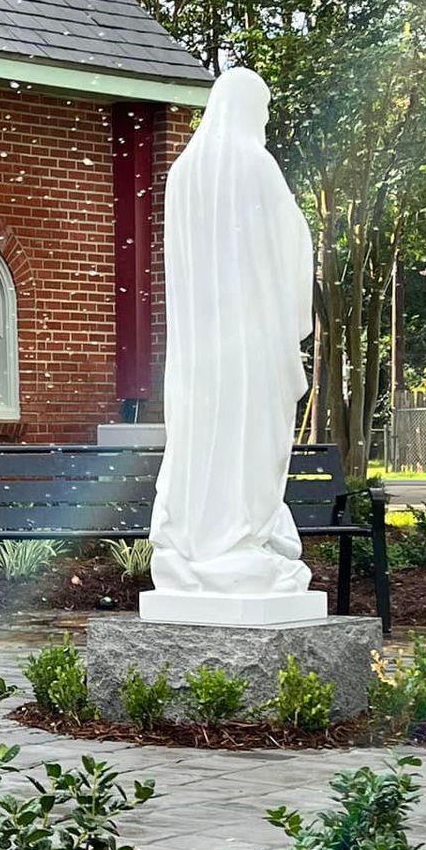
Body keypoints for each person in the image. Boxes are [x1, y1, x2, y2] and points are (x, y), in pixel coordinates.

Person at [145, 66, 320, 618]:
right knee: (249, 442)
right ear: (247, 109)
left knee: (201, 441)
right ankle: (238, 538)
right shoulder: (255, 165)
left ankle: (199, 539)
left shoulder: (182, 173)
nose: (264, 124)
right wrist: (289, 322)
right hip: (251, 346)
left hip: (200, 352)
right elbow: (286, 250)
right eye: (263, 112)